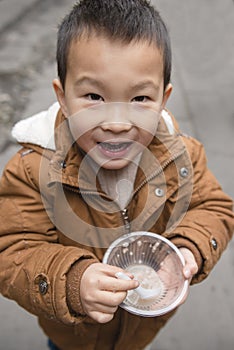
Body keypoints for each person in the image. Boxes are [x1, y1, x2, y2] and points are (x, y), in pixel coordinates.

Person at [0, 0, 233, 349]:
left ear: (163, 100)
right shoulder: (31, 171)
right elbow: (12, 250)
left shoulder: (181, 156)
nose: (117, 123)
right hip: (73, 335)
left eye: (140, 99)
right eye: (94, 96)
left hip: (141, 327)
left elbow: (213, 208)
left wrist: (188, 249)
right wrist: (73, 282)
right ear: (62, 97)